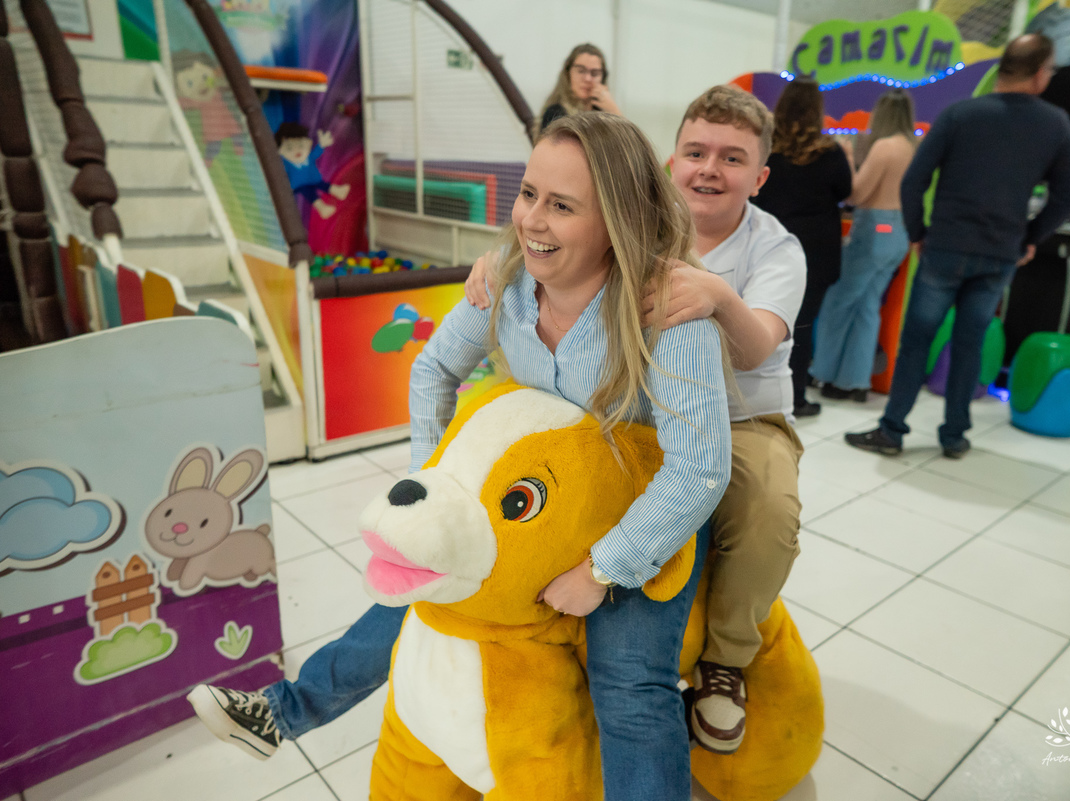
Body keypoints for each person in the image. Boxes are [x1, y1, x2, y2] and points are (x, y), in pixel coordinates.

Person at [192, 111, 731, 801]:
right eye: (529, 193)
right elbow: (431, 371)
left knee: (629, 683)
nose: (533, 219)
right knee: (424, 589)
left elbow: (699, 470)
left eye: (562, 205)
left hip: (638, 524)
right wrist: (433, 477)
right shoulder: (506, 281)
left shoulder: (664, 308)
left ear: (617, 218)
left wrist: (603, 568)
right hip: (532, 505)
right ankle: (281, 713)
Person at [467, 84, 807, 756]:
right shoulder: (639, 215)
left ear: (759, 176)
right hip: (634, 406)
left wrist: (714, 296)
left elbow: (757, 346)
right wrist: (510, 258)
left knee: (767, 505)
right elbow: (561, 248)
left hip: (743, 416)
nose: (709, 168)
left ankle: (726, 657)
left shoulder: (776, 249)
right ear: (669, 163)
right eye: (695, 152)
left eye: (731, 158)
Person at [845, 33, 1070, 458]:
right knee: (970, 342)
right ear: (1038, 74)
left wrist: (918, 232)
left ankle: (892, 430)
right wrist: (1030, 237)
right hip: (1000, 253)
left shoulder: (960, 115)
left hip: (945, 245)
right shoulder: (1056, 124)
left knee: (917, 340)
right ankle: (954, 435)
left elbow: (915, 181)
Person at [751, 78, 852, 416]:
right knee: (804, 325)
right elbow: (845, 191)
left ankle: (755, 394)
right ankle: (795, 397)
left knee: (760, 318)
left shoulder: (767, 148)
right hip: (816, 249)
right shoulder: (829, 150)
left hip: (767, 243)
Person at [808, 88, 916, 403]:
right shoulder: (913, 147)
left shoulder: (884, 147)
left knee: (838, 302)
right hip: (898, 232)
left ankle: (825, 374)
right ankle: (855, 381)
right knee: (868, 307)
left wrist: (849, 158)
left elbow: (855, 194)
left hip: (874, 228)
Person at [538, 43, 621, 132]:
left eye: (595, 73)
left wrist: (613, 111)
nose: (587, 79)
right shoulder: (555, 113)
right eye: (581, 71)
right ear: (568, 74)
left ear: (603, 78)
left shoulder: (604, 111)